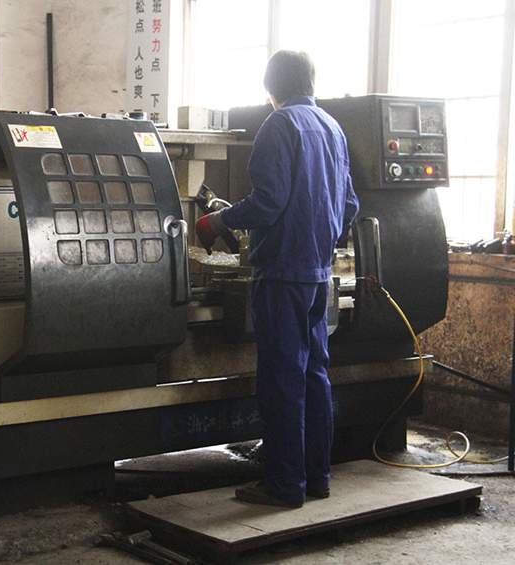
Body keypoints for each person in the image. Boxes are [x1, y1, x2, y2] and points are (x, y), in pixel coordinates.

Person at [195, 50, 359, 508]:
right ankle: (316, 477)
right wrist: (320, 237)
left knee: (282, 381)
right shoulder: (332, 128)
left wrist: (218, 222)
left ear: (271, 87)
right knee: (314, 376)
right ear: (310, 81)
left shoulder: (279, 125)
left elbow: (268, 202)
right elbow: (349, 204)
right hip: (319, 276)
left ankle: (285, 485)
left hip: (283, 275)